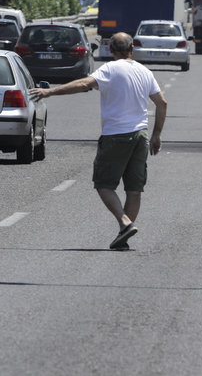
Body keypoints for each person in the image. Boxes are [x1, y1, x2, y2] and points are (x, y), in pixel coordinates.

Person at [29, 32, 167, 251]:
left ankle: (124, 222)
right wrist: (156, 135)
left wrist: (50, 92)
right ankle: (124, 236)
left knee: (103, 184)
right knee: (134, 189)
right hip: (140, 136)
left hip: (115, 136)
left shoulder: (109, 69)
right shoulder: (145, 72)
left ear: (111, 50)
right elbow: (162, 103)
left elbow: (84, 83)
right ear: (132, 50)